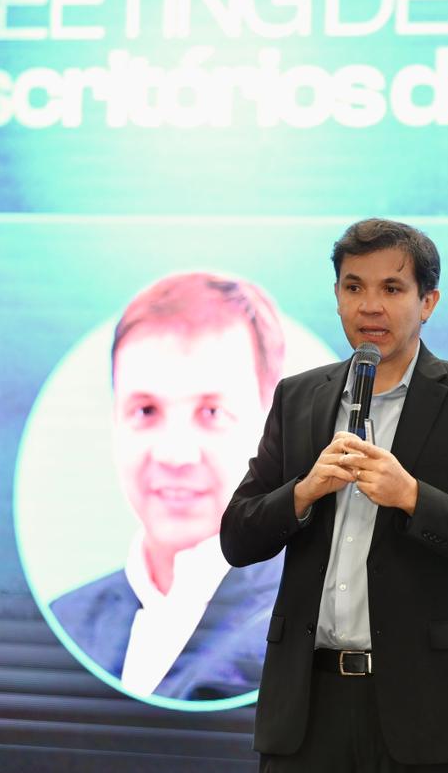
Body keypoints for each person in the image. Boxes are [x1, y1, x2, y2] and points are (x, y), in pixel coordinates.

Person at [220, 219, 448, 773]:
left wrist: (411, 495)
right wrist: (304, 492)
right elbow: (236, 538)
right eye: (354, 286)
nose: (370, 306)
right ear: (337, 296)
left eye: (392, 288)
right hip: (307, 713)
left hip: (427, 713)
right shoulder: (299, 396)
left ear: (427, 302)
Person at [51, 272, 286, 701]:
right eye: (146, 410)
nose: (175, 454)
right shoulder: (62, 623)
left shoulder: (309, 622)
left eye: (212, 412)